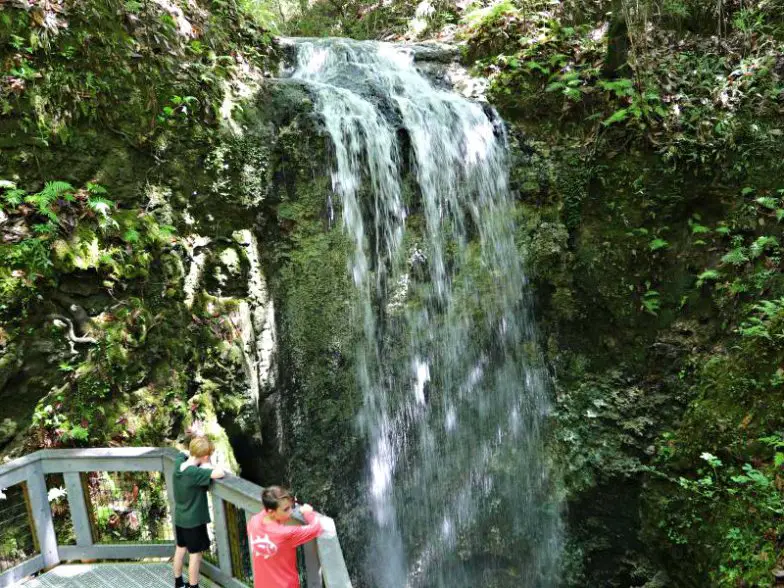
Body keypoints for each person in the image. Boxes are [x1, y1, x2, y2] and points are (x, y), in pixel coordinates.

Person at [172, 436, 225, 588]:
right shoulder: (195, 473)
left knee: (180, 549)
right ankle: (193, 586)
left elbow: (181, 453)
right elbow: (220, 473)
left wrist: (192, 456)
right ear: (206, 456)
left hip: (180, 518)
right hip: (194, 521)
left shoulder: (178, 464)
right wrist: (209, 465)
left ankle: (178, 583)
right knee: (195, 555)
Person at [247, 486, 324, 588]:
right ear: (271, 511)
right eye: (286, 509)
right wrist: (308, 512)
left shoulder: (253, 522)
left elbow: (264, 514)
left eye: (291, 507)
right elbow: (316, 527)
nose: (291, 512)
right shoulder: (285, 533)